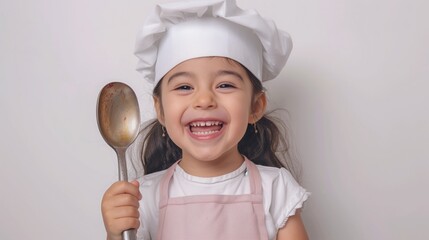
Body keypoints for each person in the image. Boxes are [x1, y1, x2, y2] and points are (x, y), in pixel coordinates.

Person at [101, 0, 310, 239]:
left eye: (225, 85)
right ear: (160, 110)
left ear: (255, 106)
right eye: (184, 87)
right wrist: (116, 233)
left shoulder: (276, 190)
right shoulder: (143, 197)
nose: (204, 100)